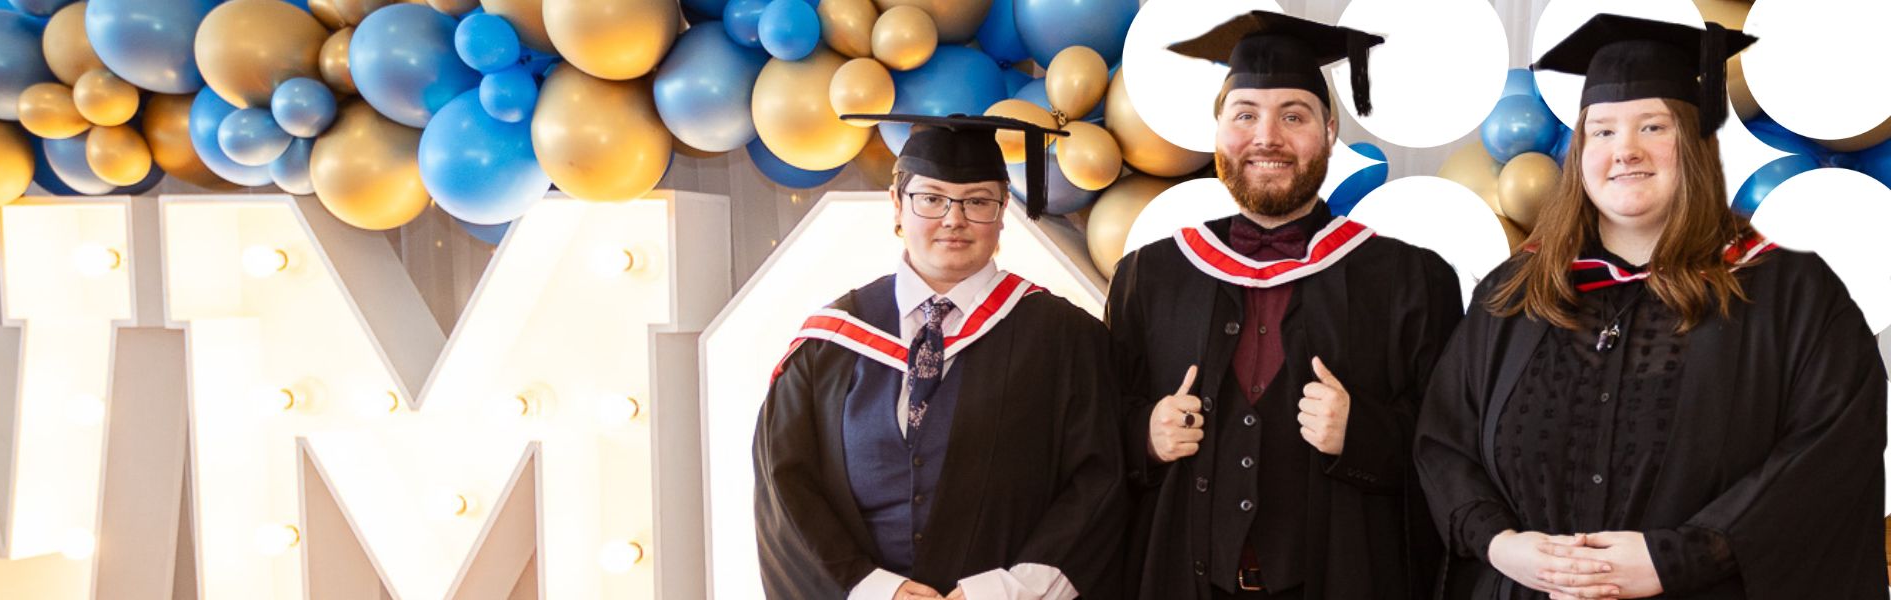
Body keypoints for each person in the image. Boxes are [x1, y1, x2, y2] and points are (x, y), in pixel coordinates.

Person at [1414, 14, 1887, 599]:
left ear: (1692, 142)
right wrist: (1500, 543)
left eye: (1653, 126)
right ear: (1580, 151)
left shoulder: (1789, 293)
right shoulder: (1514, 295)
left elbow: (1834, 450)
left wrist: (1681, 556)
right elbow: (1444, 442)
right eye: (1603, 131)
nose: (1625, 151)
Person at [1107, 11, 1460, 599]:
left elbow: (1457, 452)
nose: (1266, 137)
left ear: (1328, 133)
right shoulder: (1149, 275)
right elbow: (1088, 437)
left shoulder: (1411, 279)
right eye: (1244, 115)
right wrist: (1144, 435)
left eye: (1292, 116)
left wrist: (1364, 434)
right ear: (1217, 132)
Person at [754, 114, 1127, 600]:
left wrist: (1006, 591)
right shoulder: (829, 342)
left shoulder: (1066, 339)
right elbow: (784, 487)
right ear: (896, 205)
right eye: (931, 199)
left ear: (1002, 213)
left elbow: (1099, 483)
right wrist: (872, 589)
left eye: (978, 202)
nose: (954, 218)